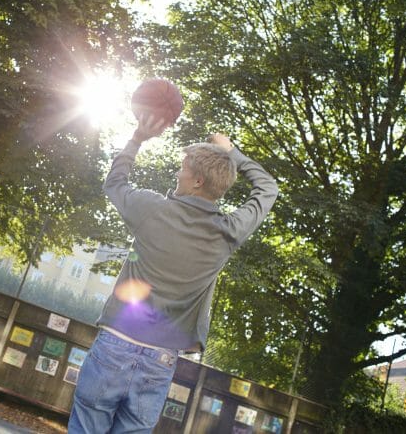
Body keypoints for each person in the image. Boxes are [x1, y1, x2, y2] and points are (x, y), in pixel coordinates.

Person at [68, 115, 278, 433]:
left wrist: (138, 137)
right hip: (160, 361)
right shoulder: (228, 232)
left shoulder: (152, 208)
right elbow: (267, 189)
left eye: (184, 168)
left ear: (197, 181)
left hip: (115, 344)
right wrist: (232, 153)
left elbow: (115, 183)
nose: (178, 172)